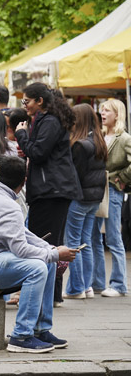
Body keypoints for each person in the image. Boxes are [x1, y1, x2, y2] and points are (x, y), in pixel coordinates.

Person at [0, 156, 75, 353]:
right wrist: (54, 254)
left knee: (47, 262)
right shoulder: (6, 205)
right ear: (22, 184)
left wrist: (50, 250)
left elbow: (23, 234)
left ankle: (40, 330)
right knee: (37, 267)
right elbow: (21, 249)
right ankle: (21, 336)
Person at [15, 83, 81, 304]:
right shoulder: (46, 119)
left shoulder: (50, 121)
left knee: (43, 243)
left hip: (51, 190)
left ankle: (45, 295)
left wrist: (22, 136)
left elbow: (39, 153)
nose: (25, 106)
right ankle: (49, 294)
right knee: (49, 243)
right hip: (50, 189)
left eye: (26, 101)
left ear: (39, 101)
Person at [62, 104, 108, 299]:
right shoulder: (99, 142)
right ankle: (87, 286)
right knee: (85, 242)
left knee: (73, 243)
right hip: (94, 199)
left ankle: (76, 288)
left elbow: (76, 175)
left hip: (79, 198)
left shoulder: (80, 145)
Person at [94, 99, 131, 297]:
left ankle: (118, 284)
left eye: (107, 110)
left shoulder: (124, 138)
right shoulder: (99, 135)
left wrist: (122, 178)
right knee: (95, 237)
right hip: (98, 190)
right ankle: (98, 282)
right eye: (102, 110)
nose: (103, 113)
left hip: (113, 190)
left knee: (114, 238)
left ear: (117, 114)